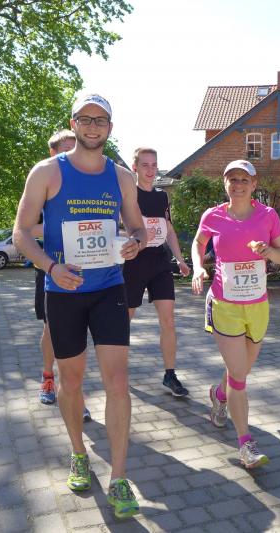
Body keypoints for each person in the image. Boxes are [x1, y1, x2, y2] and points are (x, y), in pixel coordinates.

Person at [13, 94, 147, 519]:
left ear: (110, 127)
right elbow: (21, 233)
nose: (93, 126)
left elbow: (139, 227)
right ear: (73, 123)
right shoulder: (47, 172)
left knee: (118, 382)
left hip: (109, 287)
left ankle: (119, 477)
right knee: (70, 382)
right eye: (85, 119)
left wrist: (135, 243)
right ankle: (78, 453)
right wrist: (51, 267)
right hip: (64, 290)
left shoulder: (121, 177)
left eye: (100, 120)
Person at [191, 160, 280, 469]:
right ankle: (246, 445)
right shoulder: (213, 216)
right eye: (232, 179)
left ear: (254, 184)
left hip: (257, 305)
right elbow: (198, 242)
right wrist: (198, 267)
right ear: (225, 183)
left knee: (240, 370)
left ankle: (219, 394)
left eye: (244, 179)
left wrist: (268, 252)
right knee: (240, 376)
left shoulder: (268, 215)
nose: (238, 184)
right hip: (225, 304)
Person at [33, 130, 91, 421]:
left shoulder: (86, 184)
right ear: (53, 152)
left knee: (80, 334)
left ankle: (77, 395)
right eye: (67, 150)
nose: (73, 155)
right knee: (51, 330)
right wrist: (64, 232)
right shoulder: (43, 181)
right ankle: (47, 377)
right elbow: (26, 229)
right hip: (50, 269)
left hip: (84, 269)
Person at [124, 147, 191, 397]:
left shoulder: (162, 197)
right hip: (134, 263)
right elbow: (119, 229)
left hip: (160, 263)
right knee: (124, 320)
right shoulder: (128, 195)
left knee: (168, 320)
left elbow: (169, 229)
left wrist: (180, 260)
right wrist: (135, 236)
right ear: (135, 168)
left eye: (154, 165)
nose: (151, 170)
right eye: (145, 165)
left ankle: (170, 374)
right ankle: (118, 370)